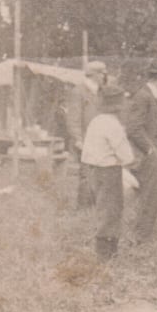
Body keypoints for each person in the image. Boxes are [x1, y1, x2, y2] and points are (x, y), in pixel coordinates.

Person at [81, 85, 135, 260]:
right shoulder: (113, 125)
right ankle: (106, 254)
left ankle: (107, 251)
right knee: (111, 210)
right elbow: (126, 156)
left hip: (92, 169)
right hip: (108, 171)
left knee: (103, 209)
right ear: (118, 105)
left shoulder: (96, 121)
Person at [125, 64, 157, 243]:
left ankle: (143, 234)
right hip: (146, 155)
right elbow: (133, 128)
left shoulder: (150, 96)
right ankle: (141, 236)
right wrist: (150, 149)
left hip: (151, 153)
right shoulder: (144, 96)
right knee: (148, 195)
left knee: (150, 195)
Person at [65, 60, 108, 209]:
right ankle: (83, 208)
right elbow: (73, 118)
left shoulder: (100, 91)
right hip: (85, 140)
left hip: (100, 139)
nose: (104, 76)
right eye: (102, 73)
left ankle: (96, 205)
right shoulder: (79, 91)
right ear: (94, 75)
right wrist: (78, 139)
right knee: (86, 174)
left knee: (99, 174)